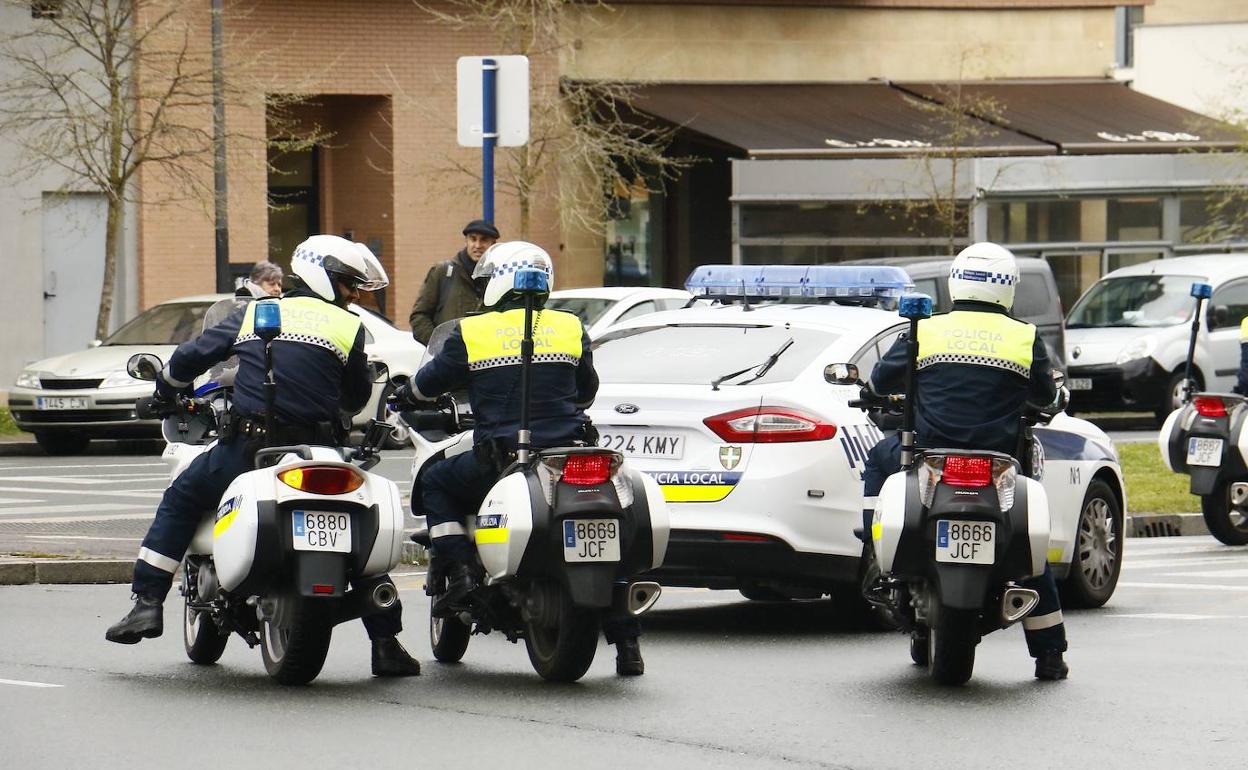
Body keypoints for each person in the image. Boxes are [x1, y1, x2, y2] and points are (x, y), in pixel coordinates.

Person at [105, 234, 421, 678]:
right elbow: (354, 397)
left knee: (182, 496)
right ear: (321, 276)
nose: (353, 294)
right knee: (350, 519)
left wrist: (165, 390)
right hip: (321, 450)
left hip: (250, 449)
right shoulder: (348, 327)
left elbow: (191, 358)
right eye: (348, 283)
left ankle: (147, 602)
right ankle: (386, 643)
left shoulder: (253, 313)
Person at [392, 240, 646, 676]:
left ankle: (460, 573)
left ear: (498, 283)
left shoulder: (472, 331)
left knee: (437, 482)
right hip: (567, 454)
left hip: (502, 460)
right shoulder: (570, 326)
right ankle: (627, 644)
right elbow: (586, 391)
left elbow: (428, 384)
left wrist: (405, 395)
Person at [861, 241, 1069, 681]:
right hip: (999, 463)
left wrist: (884, 392)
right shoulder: (1024, 336)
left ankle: (873, 552)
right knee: (1026, 545)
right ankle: (1049, 654)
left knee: (879, 461)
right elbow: (1046, 395)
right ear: (1008, 287)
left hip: (929, 457)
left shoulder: (927, 329)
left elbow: (880, 380)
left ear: (957, 282)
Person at [408, 219, 500, 344]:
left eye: (484, 240)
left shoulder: (499, 277)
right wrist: (440, 345)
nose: (477, 245)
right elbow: (419, 316)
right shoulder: (443, 272)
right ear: (466, 241)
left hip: (486, 353)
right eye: (473, 239)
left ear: (493, 244)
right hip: (449, 354)